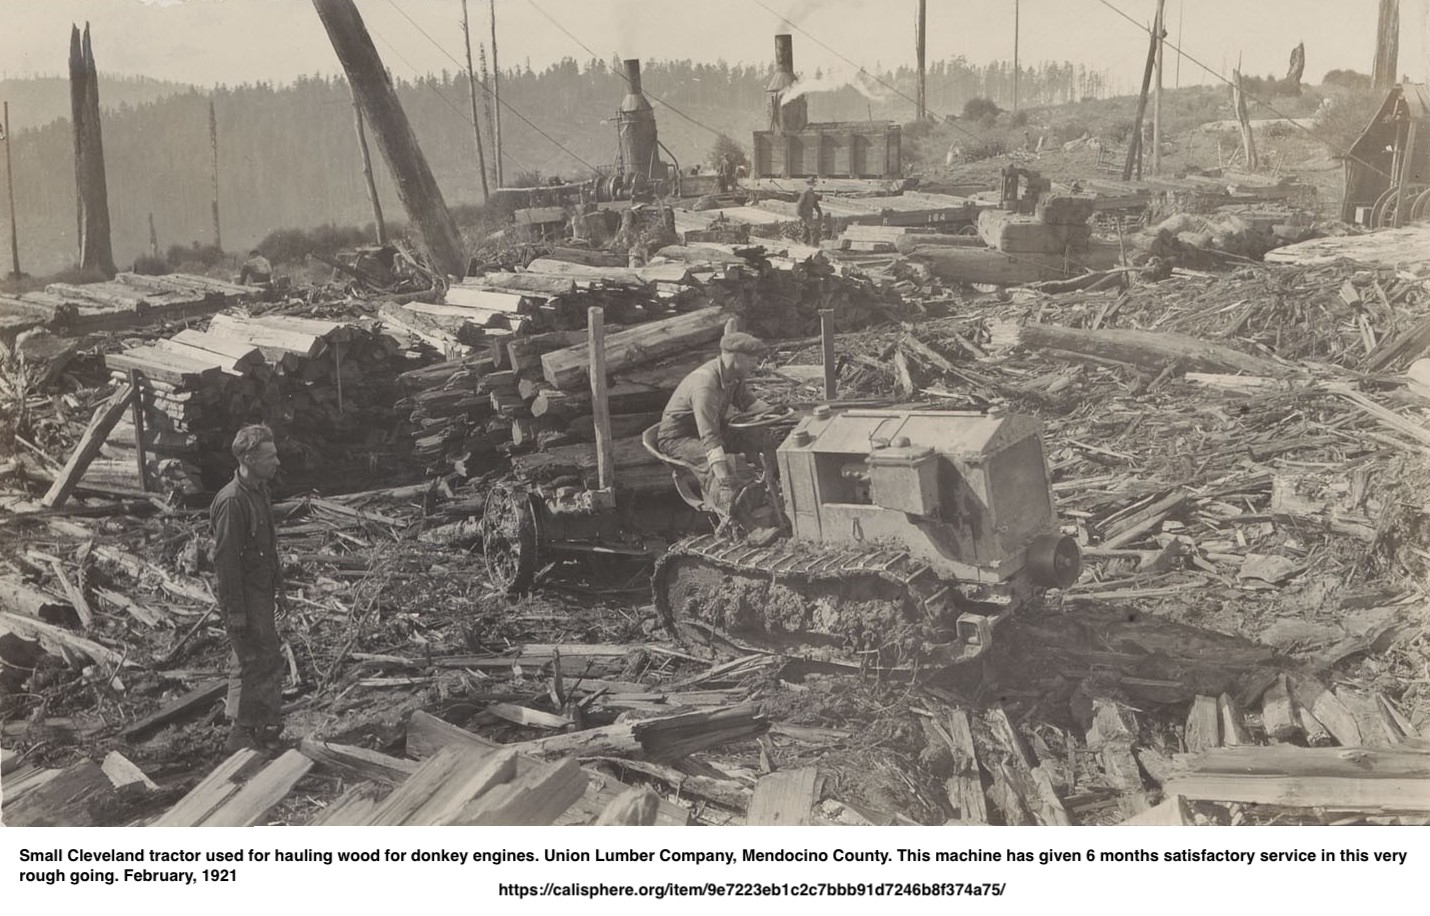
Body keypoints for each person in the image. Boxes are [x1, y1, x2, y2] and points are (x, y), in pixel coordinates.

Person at [211, 424, 286, 753]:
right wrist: (236, 611)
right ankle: (241, 734)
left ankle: (261, 727)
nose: (277, 462)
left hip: (261, 591)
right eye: (270, 457)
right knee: (251, 660)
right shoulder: (232, 502)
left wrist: (279, 588)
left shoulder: (259, 491)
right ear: (249, 459)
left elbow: (267, 547)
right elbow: (226, 562)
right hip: (243, 595)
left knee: (263, 657)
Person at [657, 331, 774, 517]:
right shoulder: (705, 386)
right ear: (736, 357)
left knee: (763, 439)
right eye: (752, 359)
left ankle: (775, 487)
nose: (756, 364)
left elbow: (750, 403)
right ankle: (741, 518)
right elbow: (709, 437)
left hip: (710, 429)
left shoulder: (733, 376)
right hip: (679, 438)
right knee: (728, 470)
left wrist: (781, 413)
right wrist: (725, 481)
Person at [795, 176, 823, 245]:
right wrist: (799, 214)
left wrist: (820, 213)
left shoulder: (812, 193)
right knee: (813, 228)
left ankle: (804, 243)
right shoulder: (805, 193)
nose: (812, 185)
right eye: (811, 183)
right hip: (804, 214)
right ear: (808, 184)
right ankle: (814, 245)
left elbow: (816, 204)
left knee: (806, 229)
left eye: (813, 184)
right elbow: (799, 205)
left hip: (809, 214)